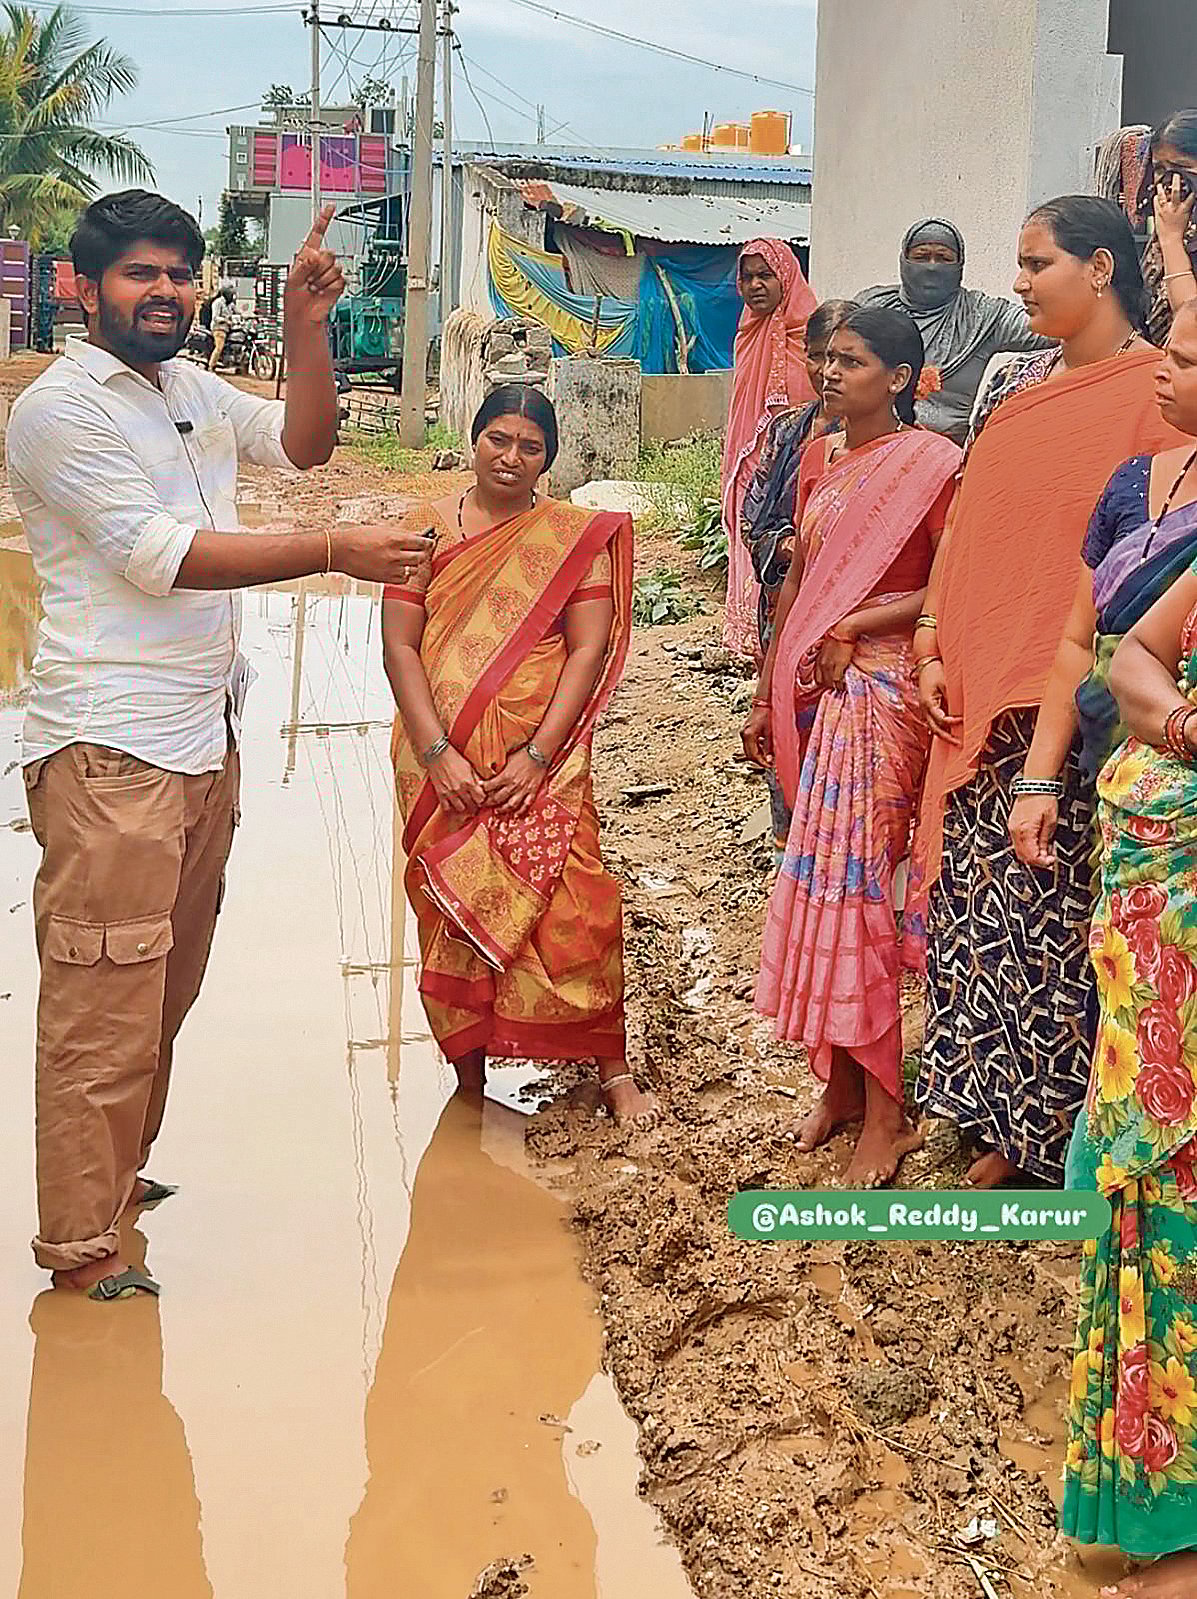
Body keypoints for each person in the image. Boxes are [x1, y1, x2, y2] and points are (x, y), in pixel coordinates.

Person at [8, 190, 435, 1300]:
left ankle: (116, 1179)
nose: (165, 292)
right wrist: (335, 549)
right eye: (140, 274)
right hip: (112, 747)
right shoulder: (58, 412)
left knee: (163, 986)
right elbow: (163, 556)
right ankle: (80, 1249)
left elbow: (302, 443)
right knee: (102, 1001)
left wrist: (306, 327)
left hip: (202, 734)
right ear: (82, 287)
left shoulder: (187, 388)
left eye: (179, 274)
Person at [912, 196, 1181, 1191]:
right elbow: (969, 523)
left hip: (1078, 708)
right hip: (976, 684)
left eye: (1037, 264)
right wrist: (933, 637)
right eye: (1019, 265)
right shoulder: (1014, 387)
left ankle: (1044, 1135)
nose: (1018, 283)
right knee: (973, 907)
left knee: (1052, 925)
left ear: (1100, 268)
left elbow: (1127, 568)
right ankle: (981, 1104)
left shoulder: (1157, 393)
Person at [381, 385, 656, 1126]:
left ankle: (611, 1066)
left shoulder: (569, 537)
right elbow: (400, 646)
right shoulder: (422, 530)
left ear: (548, 458)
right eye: (497, 439)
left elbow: (587, 647)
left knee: (579, 899)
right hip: (438, 762)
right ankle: (468, 1082)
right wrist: (437, 753)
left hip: (543, 759)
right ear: (472, 440)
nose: (510, 457)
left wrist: (537, 756)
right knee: (448, 903)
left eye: (529, 447)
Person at [742, 307, 961, 1187]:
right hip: (818, 690)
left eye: (853, 361)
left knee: (862, 889)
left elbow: (949, 585)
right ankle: (837, 1085)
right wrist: (766, 691)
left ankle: (886, 1112)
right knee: (820, 885)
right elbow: (797, 581)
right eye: (827, 359)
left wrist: (857, 623)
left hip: (883, 693)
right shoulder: (818, 458)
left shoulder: (933, 464)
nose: (830, 373)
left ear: (900, 379)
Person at [1057, 545, 1197, 1598]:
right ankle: (1171, 1515)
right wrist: (1187, 729)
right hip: (1162, 933)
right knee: (1164, 1203)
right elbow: (1136, 655)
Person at [740, 296, 857, 862]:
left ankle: (838, 851)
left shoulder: (906, 448)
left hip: (857, 618)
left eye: (842, 358)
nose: (825, 371)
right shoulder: (788, 432)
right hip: (788, 598)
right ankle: (790, 842)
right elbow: (752, 514)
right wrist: (791, 547)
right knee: (786, 713)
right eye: (815, 356)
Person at [857, 219, 1053, 445]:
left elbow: (1053, 328)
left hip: (946, 452)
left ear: (960, 264)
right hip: (869, 445)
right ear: (904, 260)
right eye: (921, 257)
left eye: (943, 258)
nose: (932, 267)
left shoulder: (984, 314)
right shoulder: (872, 305)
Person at [721, 238, 816, 661]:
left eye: (766, 275)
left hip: (796, 463)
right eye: (748, 277)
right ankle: (750, 633)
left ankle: (791, 638)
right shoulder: (747, 333)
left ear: (787, 277)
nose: (755, 285)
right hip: (750, 459)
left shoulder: (811, 332)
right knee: (749, 531)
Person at [1139, 110, 1197, 346]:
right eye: (1160, 170)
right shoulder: (1173, 222)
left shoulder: (1171, 228)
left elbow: (1191, 325)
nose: (1171, 181)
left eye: (1182, 166)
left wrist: (1171, 239)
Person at [208, 282, 235, 371]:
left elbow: (237, 313)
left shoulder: (230, 304)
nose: (232, 296)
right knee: (219, 347)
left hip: (228, 328)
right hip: (219, 328)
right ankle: (211, 366)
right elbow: (215, 317)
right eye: (231, 294)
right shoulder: (218, 303)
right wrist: (226, 320)